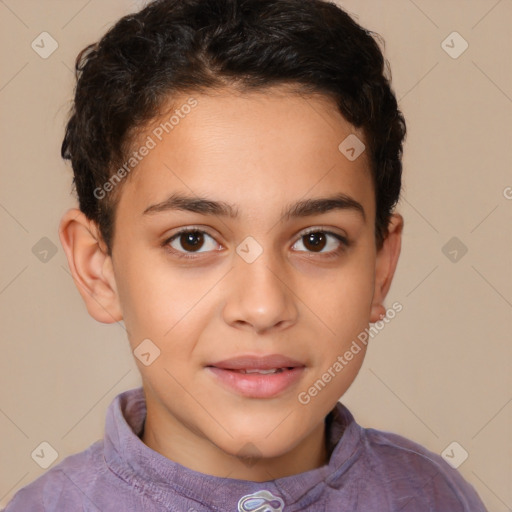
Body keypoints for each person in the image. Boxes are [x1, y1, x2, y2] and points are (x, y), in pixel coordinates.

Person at [3, 0, 488, 510]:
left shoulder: (437, 496)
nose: (263, 308)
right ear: (98, 270)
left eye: (317, 240)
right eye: (192, 240)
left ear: (380, 268)